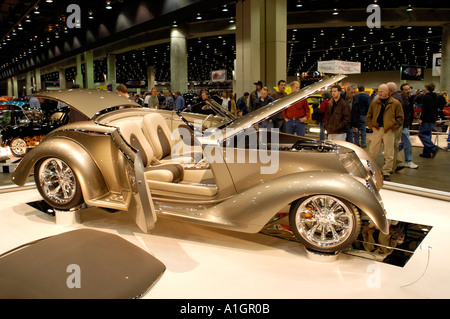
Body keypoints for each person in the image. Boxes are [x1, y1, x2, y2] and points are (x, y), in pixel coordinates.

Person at [366, 84, 404, 181]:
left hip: (389, 131)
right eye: (379, 91)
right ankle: (370, 170)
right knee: (372, 151)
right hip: (377, 130)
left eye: (382, 91)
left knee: (389, 153)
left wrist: (393, 127)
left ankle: (386, 171)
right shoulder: (374, 103)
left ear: (388, 91)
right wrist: (371, 126)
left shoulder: (395, 103)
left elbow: (400, 118)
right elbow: (368, 116)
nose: (380, 93)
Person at [393, 83, 418, 169]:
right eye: (406, 89)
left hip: (405, 124)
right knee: (407, 143)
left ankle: (391, 153)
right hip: (402, 125)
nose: (408, 91)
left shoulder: (408, 99)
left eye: (409, 89)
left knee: (403, 142)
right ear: (402, 91)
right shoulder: (401, 100)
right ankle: (408, 161)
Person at [418, 82, 439, 158]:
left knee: (422, 134)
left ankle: (433, 147)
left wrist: (421, 118)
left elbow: (425, 109)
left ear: (426, 88)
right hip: (433, 118)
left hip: (426, 119)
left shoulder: (426, 97)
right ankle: (426, 153)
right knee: (428, 134)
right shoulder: (435, 97)